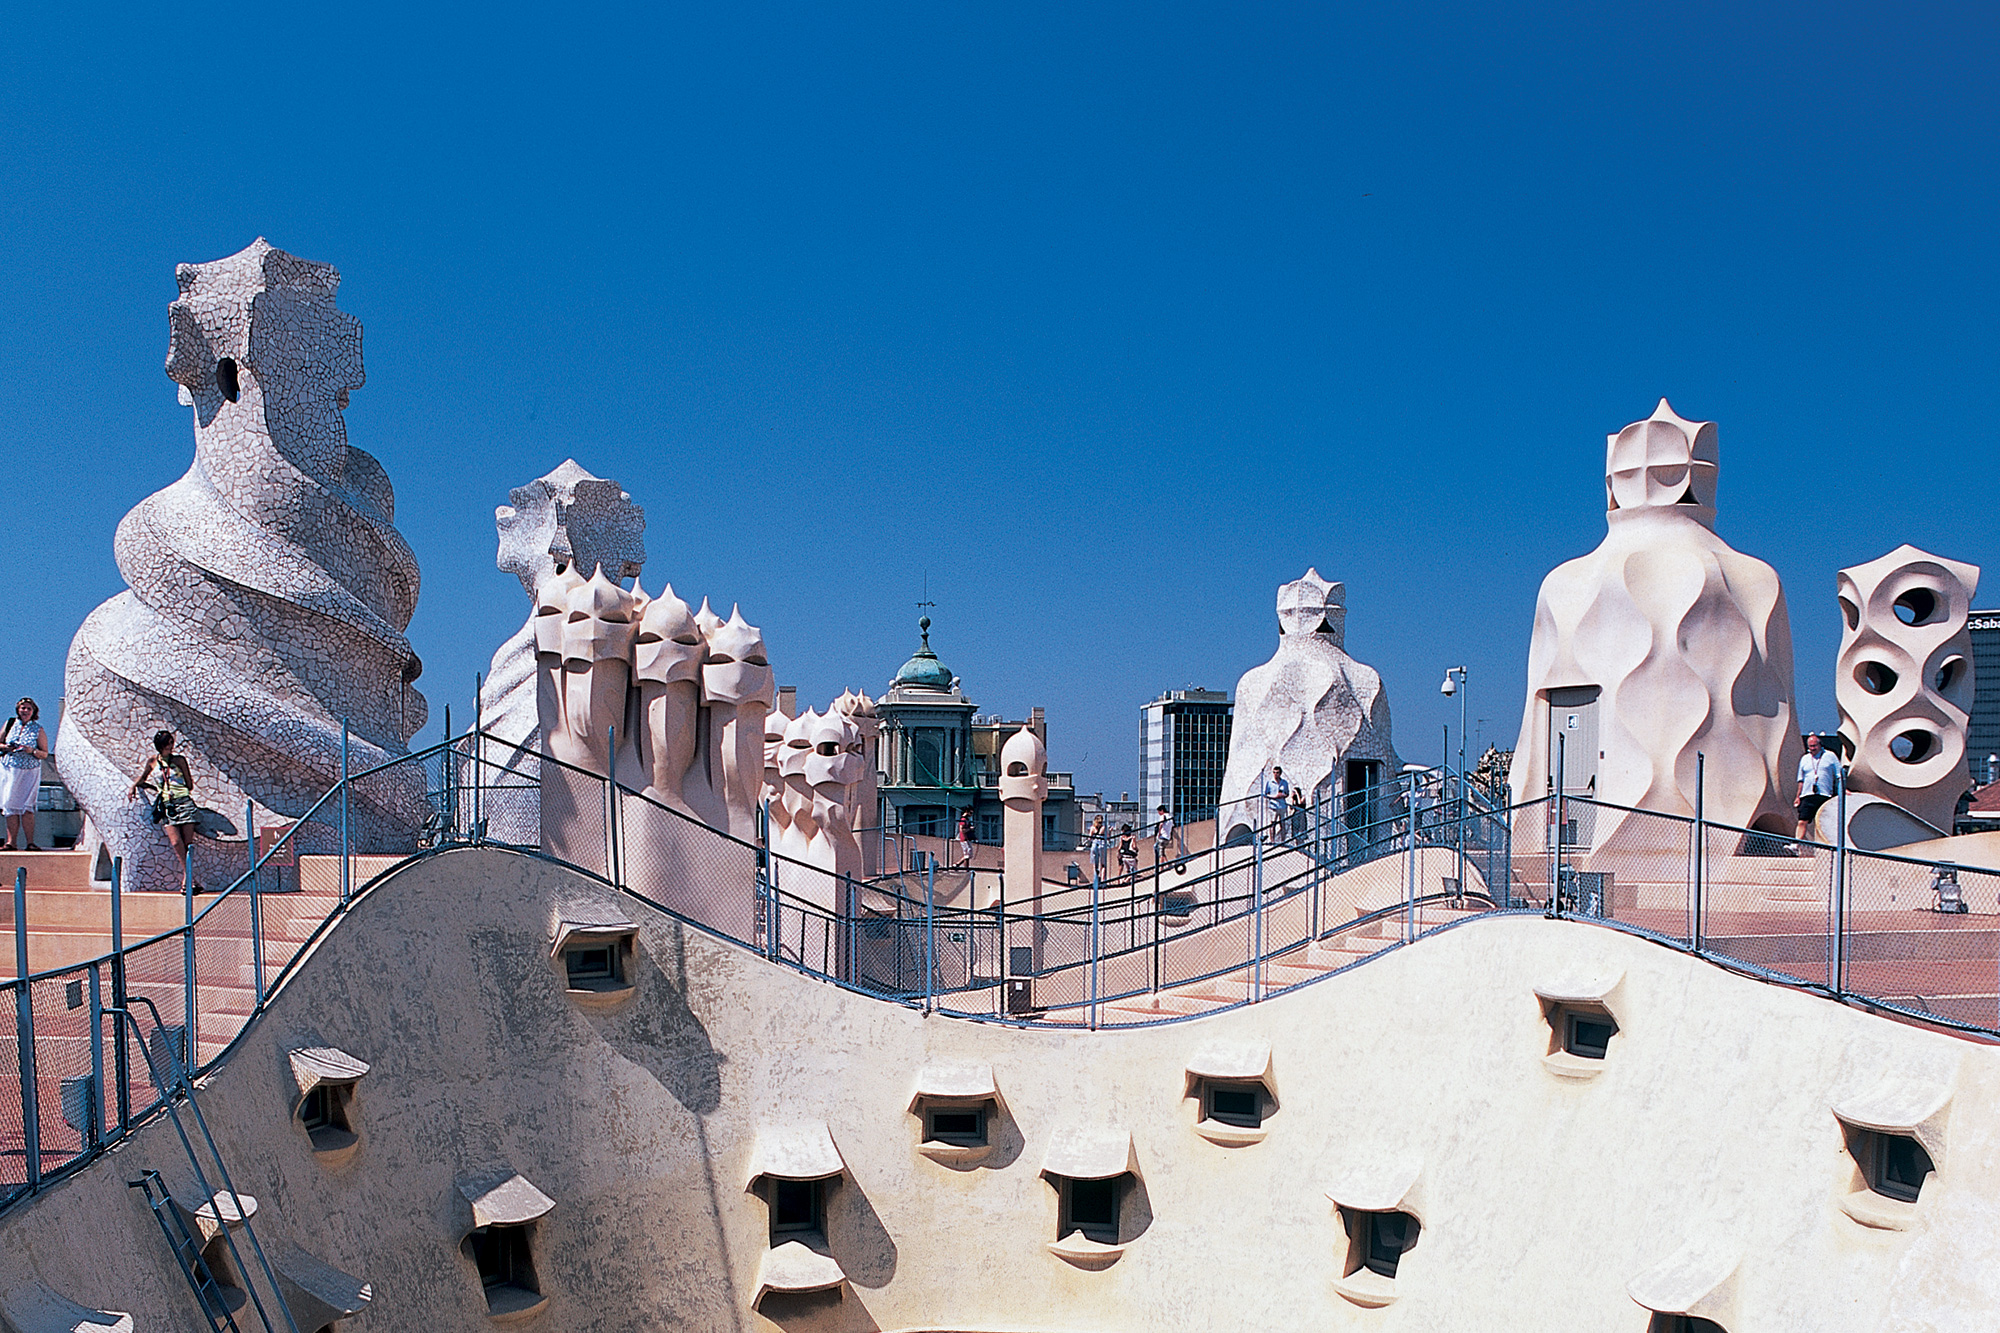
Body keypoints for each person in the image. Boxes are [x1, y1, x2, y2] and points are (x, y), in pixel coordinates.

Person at [130, 730, 200, 888]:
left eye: (171, 743)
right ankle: (188, 876)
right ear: (160, 746)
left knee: (188, 843)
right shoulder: (153, 761)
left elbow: (189, 785)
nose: (171, 746)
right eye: (167, 743)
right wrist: (134, 786)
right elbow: (143, 778)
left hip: (183, 802)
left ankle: (188, 879)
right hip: (167, 805)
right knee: (176, 842)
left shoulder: (179, 760)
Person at [0, 698, 50, 851]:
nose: (25, 711)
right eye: (23, 708)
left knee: (27, 806)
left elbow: (44, 753)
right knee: (9, 805)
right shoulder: (10, 724)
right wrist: (8, 747)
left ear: (33, 711)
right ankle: (11, 842)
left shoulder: (38, 729)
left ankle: (30, 842)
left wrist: (32, 751)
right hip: (10, 769)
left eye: (28, 708)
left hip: (29, 771)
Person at [1795, 733, 1841, 844]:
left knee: (1824, 822)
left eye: (1814, 746)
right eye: (1810, 746)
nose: (1812, 749)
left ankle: (1828, 846)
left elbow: (1839, 776)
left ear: (1820, 745)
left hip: (1824, 795)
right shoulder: (1805, 758)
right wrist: (1798, 796)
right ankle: (1796, 844)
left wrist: (1842, 791)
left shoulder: (1830, 756)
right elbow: (1801, 779)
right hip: (1807, 794)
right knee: (1802, 821)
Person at [1262, 763, 1291, 839]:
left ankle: (1283, 840)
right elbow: (1266, 794)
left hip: (1282, 806)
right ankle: (1272, 840)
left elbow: (1287, 793)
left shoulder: (1284, 783)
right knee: (1272, 824)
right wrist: (1274, 797)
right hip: (1273, 806)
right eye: (1274, 772)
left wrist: (1282, 795)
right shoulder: (1269, 783)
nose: (1275, 774)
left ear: (1280, 773)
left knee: (1283, 824)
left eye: (1277, 772)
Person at [1153, 804, 1185, 873]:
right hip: (1168, 837)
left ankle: (1160, 869)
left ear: (1162, 811)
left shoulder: (1163, 816)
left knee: (1160, 853)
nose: (1158, 813)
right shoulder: (1170, 817)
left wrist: (1159, 833)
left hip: (1162, 837)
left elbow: (1161, 824)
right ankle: (1167, 865)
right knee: (1162, 851)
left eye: (1159, 812)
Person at [1086, 815, 1110, 885]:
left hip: (1094, 845)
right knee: (1103, 865)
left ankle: (1095, 880)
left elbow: (1089, 838)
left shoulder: (1092, 828)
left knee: (1095, 865)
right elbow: (1108, 837)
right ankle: (1103, 881)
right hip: (1102, 845)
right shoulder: (1104, 828)